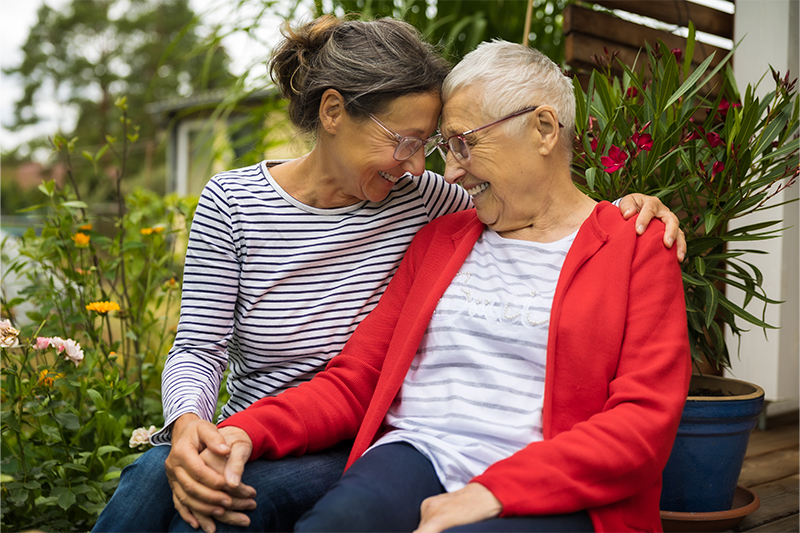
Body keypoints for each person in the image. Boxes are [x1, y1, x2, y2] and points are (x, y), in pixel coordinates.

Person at [92, 16, 685, 533]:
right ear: (332, 113)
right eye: (416, 143)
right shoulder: (429, 226)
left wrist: (637, 208)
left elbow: (558, 212)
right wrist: (219, 426)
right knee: (160, 477)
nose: (436, 169)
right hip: (351, 436)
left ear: (543, 127)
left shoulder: (440, 202)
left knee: (224, 506)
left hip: (427, 449)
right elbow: (331, 372)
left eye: (450, 144)